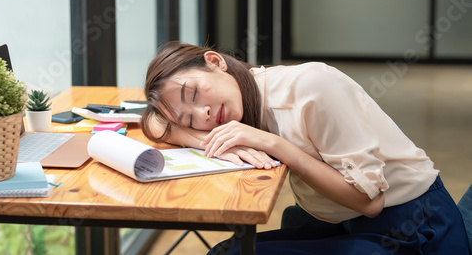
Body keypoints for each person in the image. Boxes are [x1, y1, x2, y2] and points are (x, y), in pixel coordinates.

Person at [141, 41, 470, 254]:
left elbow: (369, 201)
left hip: (416, 230)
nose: (204, 114)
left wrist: (273, 144)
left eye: (195, 94)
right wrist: (208, 140)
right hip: (347, 223)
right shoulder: (243, 97)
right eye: (188, 117)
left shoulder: (311, 87)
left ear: (215, 62)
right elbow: (155, 123)